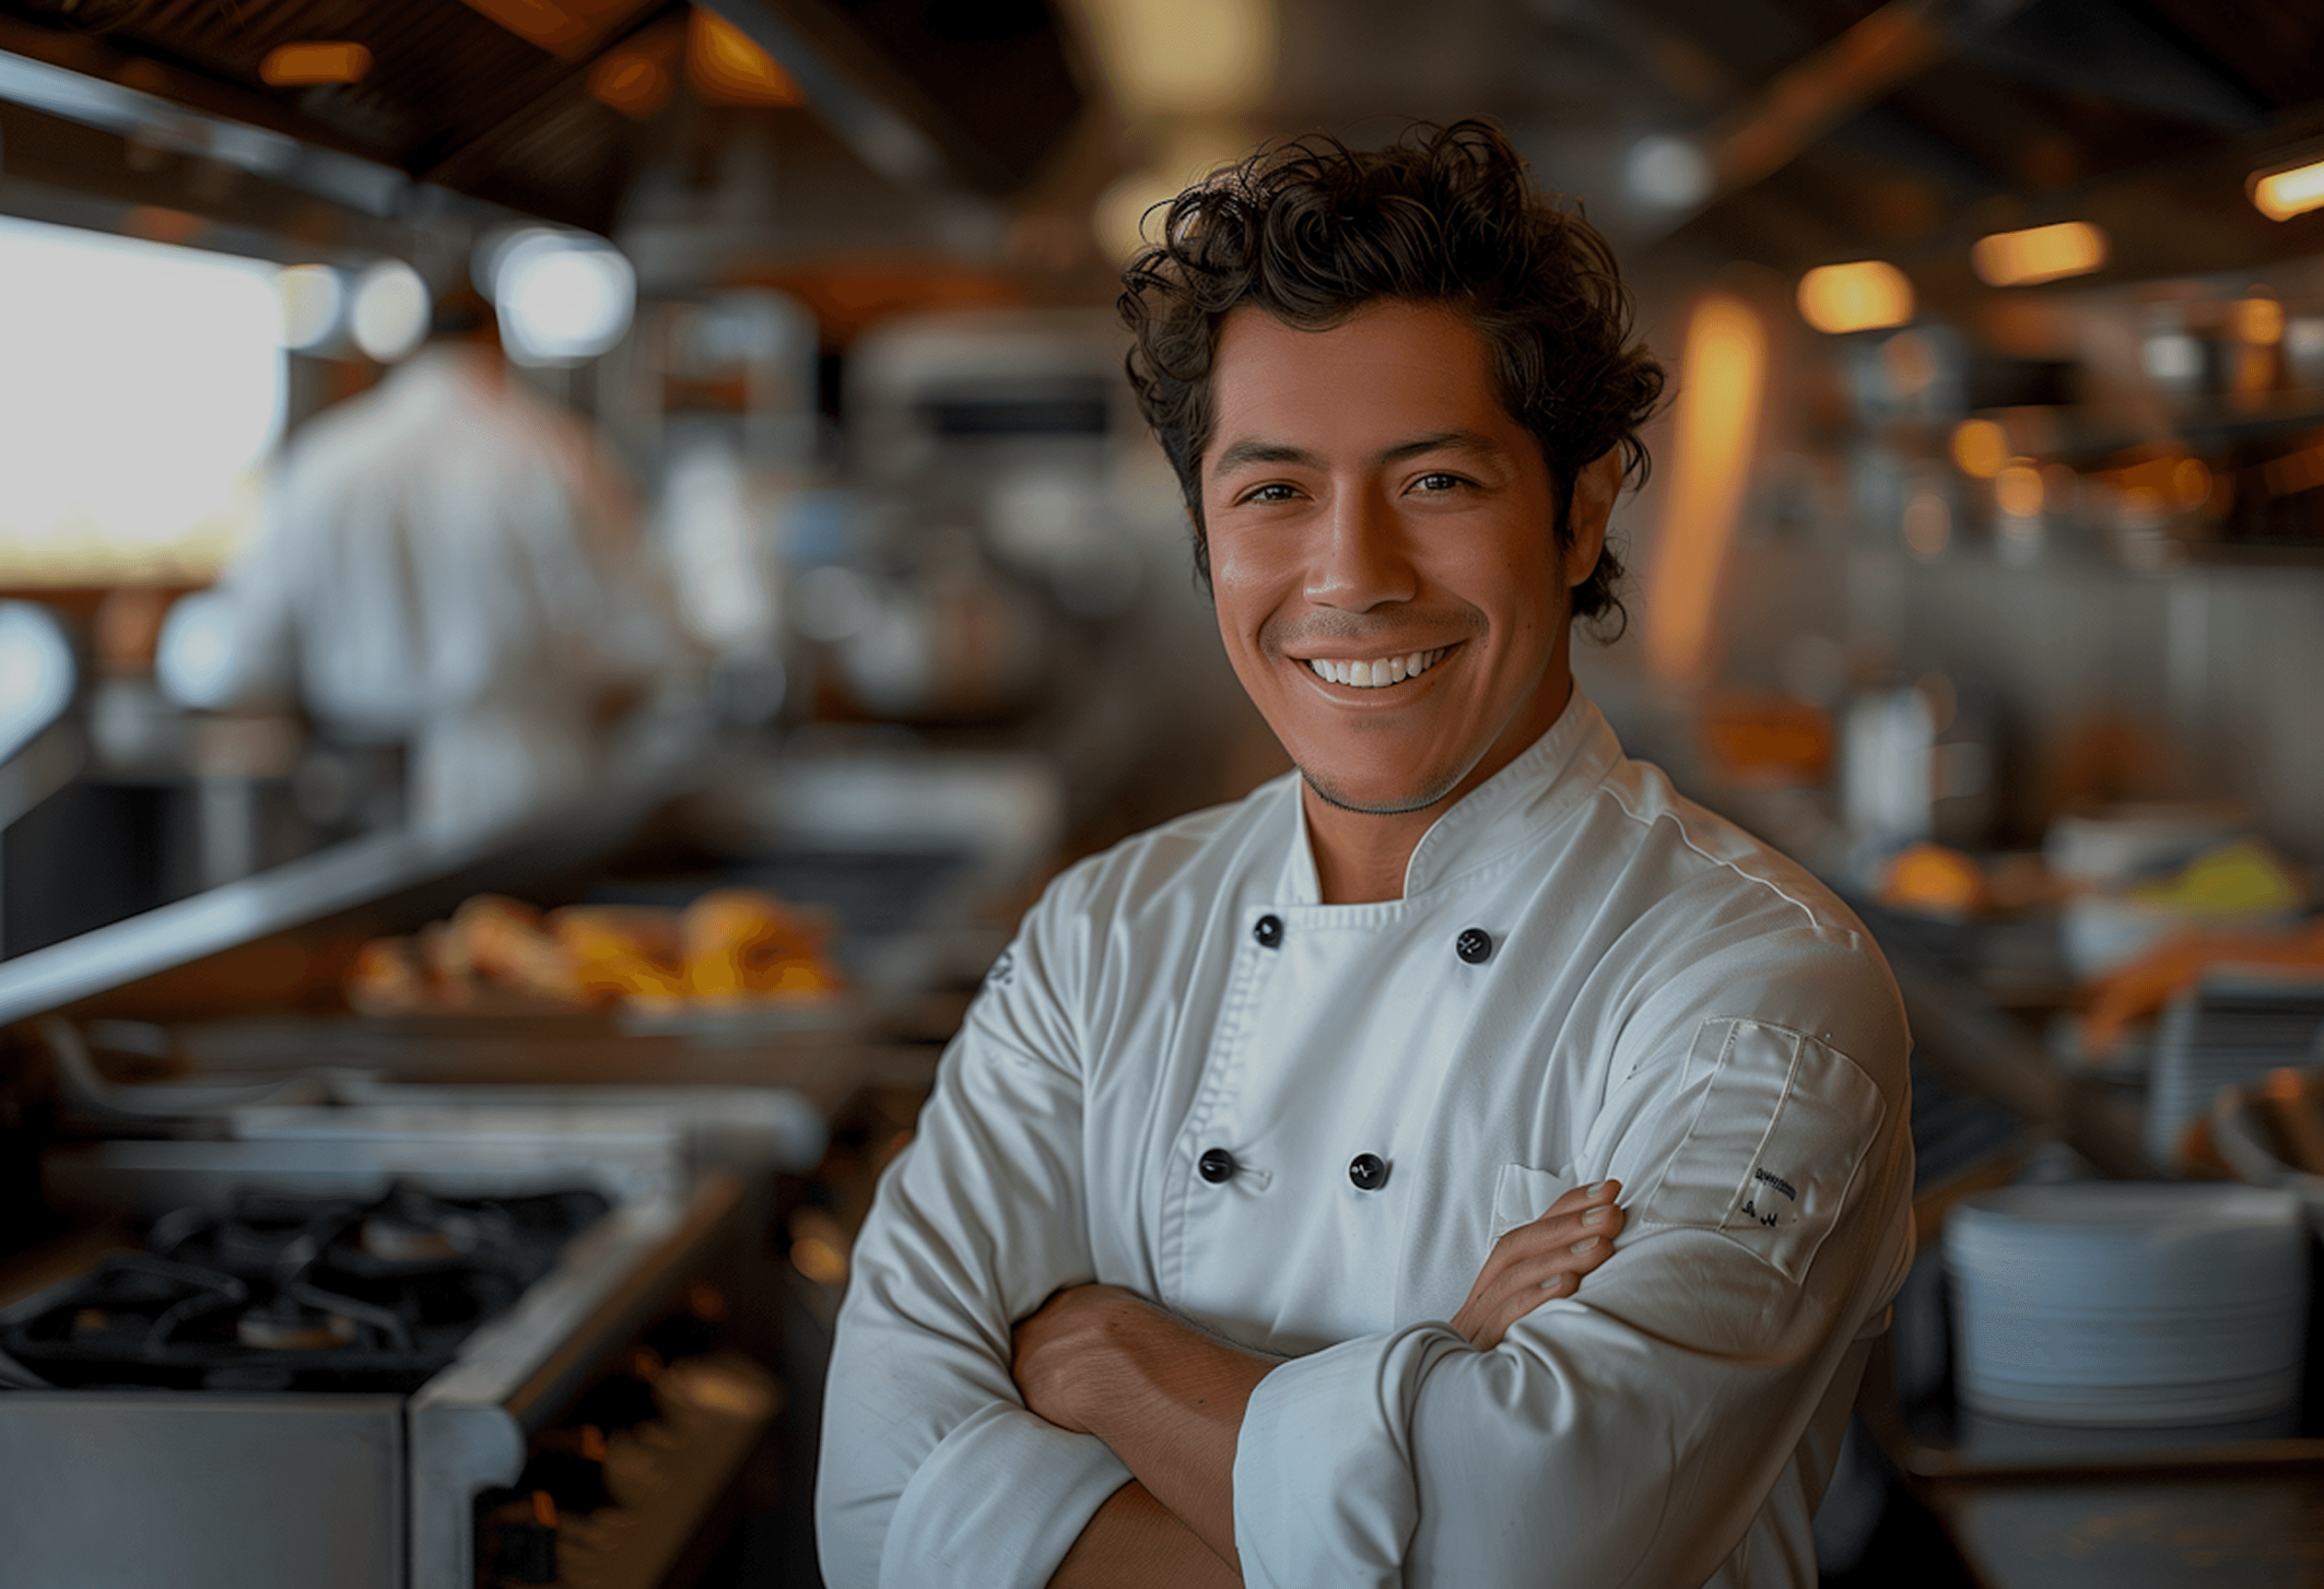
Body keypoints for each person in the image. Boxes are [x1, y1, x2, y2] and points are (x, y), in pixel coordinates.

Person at [816, 122, 1913, 1589]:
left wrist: (1109, 1362)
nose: (1351, 575)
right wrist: (1439, 1386)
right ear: (1204, 531)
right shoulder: (1100, 939)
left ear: (1578, 513)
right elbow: (876, 1521)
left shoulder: (1755, 991)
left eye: (1436, 482)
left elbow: (1528, 1561)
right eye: (1274, 491)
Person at [158, 288, 679, 834]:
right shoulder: (555, 455)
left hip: (353, 787)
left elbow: (245, 653)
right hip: (527, 778)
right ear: (497, 338)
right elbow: (651, 636)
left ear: (408, 345)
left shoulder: (324, 461)